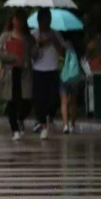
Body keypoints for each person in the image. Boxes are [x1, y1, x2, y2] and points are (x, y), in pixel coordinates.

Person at [0, 11, 34, 141]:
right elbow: (0, 52)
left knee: (27, 101)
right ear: (12, 20)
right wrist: (13, 57)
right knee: (12, 101)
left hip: (24, 73)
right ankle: (15, 130)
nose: (19, 23)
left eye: (21, 20)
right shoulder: (5, 37)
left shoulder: (28, 38)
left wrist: (36, 46)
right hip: (10, 73)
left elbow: (35, 54)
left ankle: (20, 118)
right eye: (17, 19)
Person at [31, 8, 65, 140]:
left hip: (52, 70)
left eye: (47, 20)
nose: (45, 23)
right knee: (40, 100)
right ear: (39, 21)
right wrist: (39, 44)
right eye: (43, 21)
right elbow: (31, 55)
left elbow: (63, 52)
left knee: (53, 99)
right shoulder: (33, 35)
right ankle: (43, 125)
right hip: (38, 71)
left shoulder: (56, 34)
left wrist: (54, 42)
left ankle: (48, 118)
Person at [59, 31, 85, 135]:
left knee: (64, 102)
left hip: (64, 76)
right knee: (73, 102)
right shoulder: (77, 46)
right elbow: (83, 61)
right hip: (75, 77)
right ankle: (72, 125)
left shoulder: (61, 45)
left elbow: (59, 59)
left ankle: (65, 125)